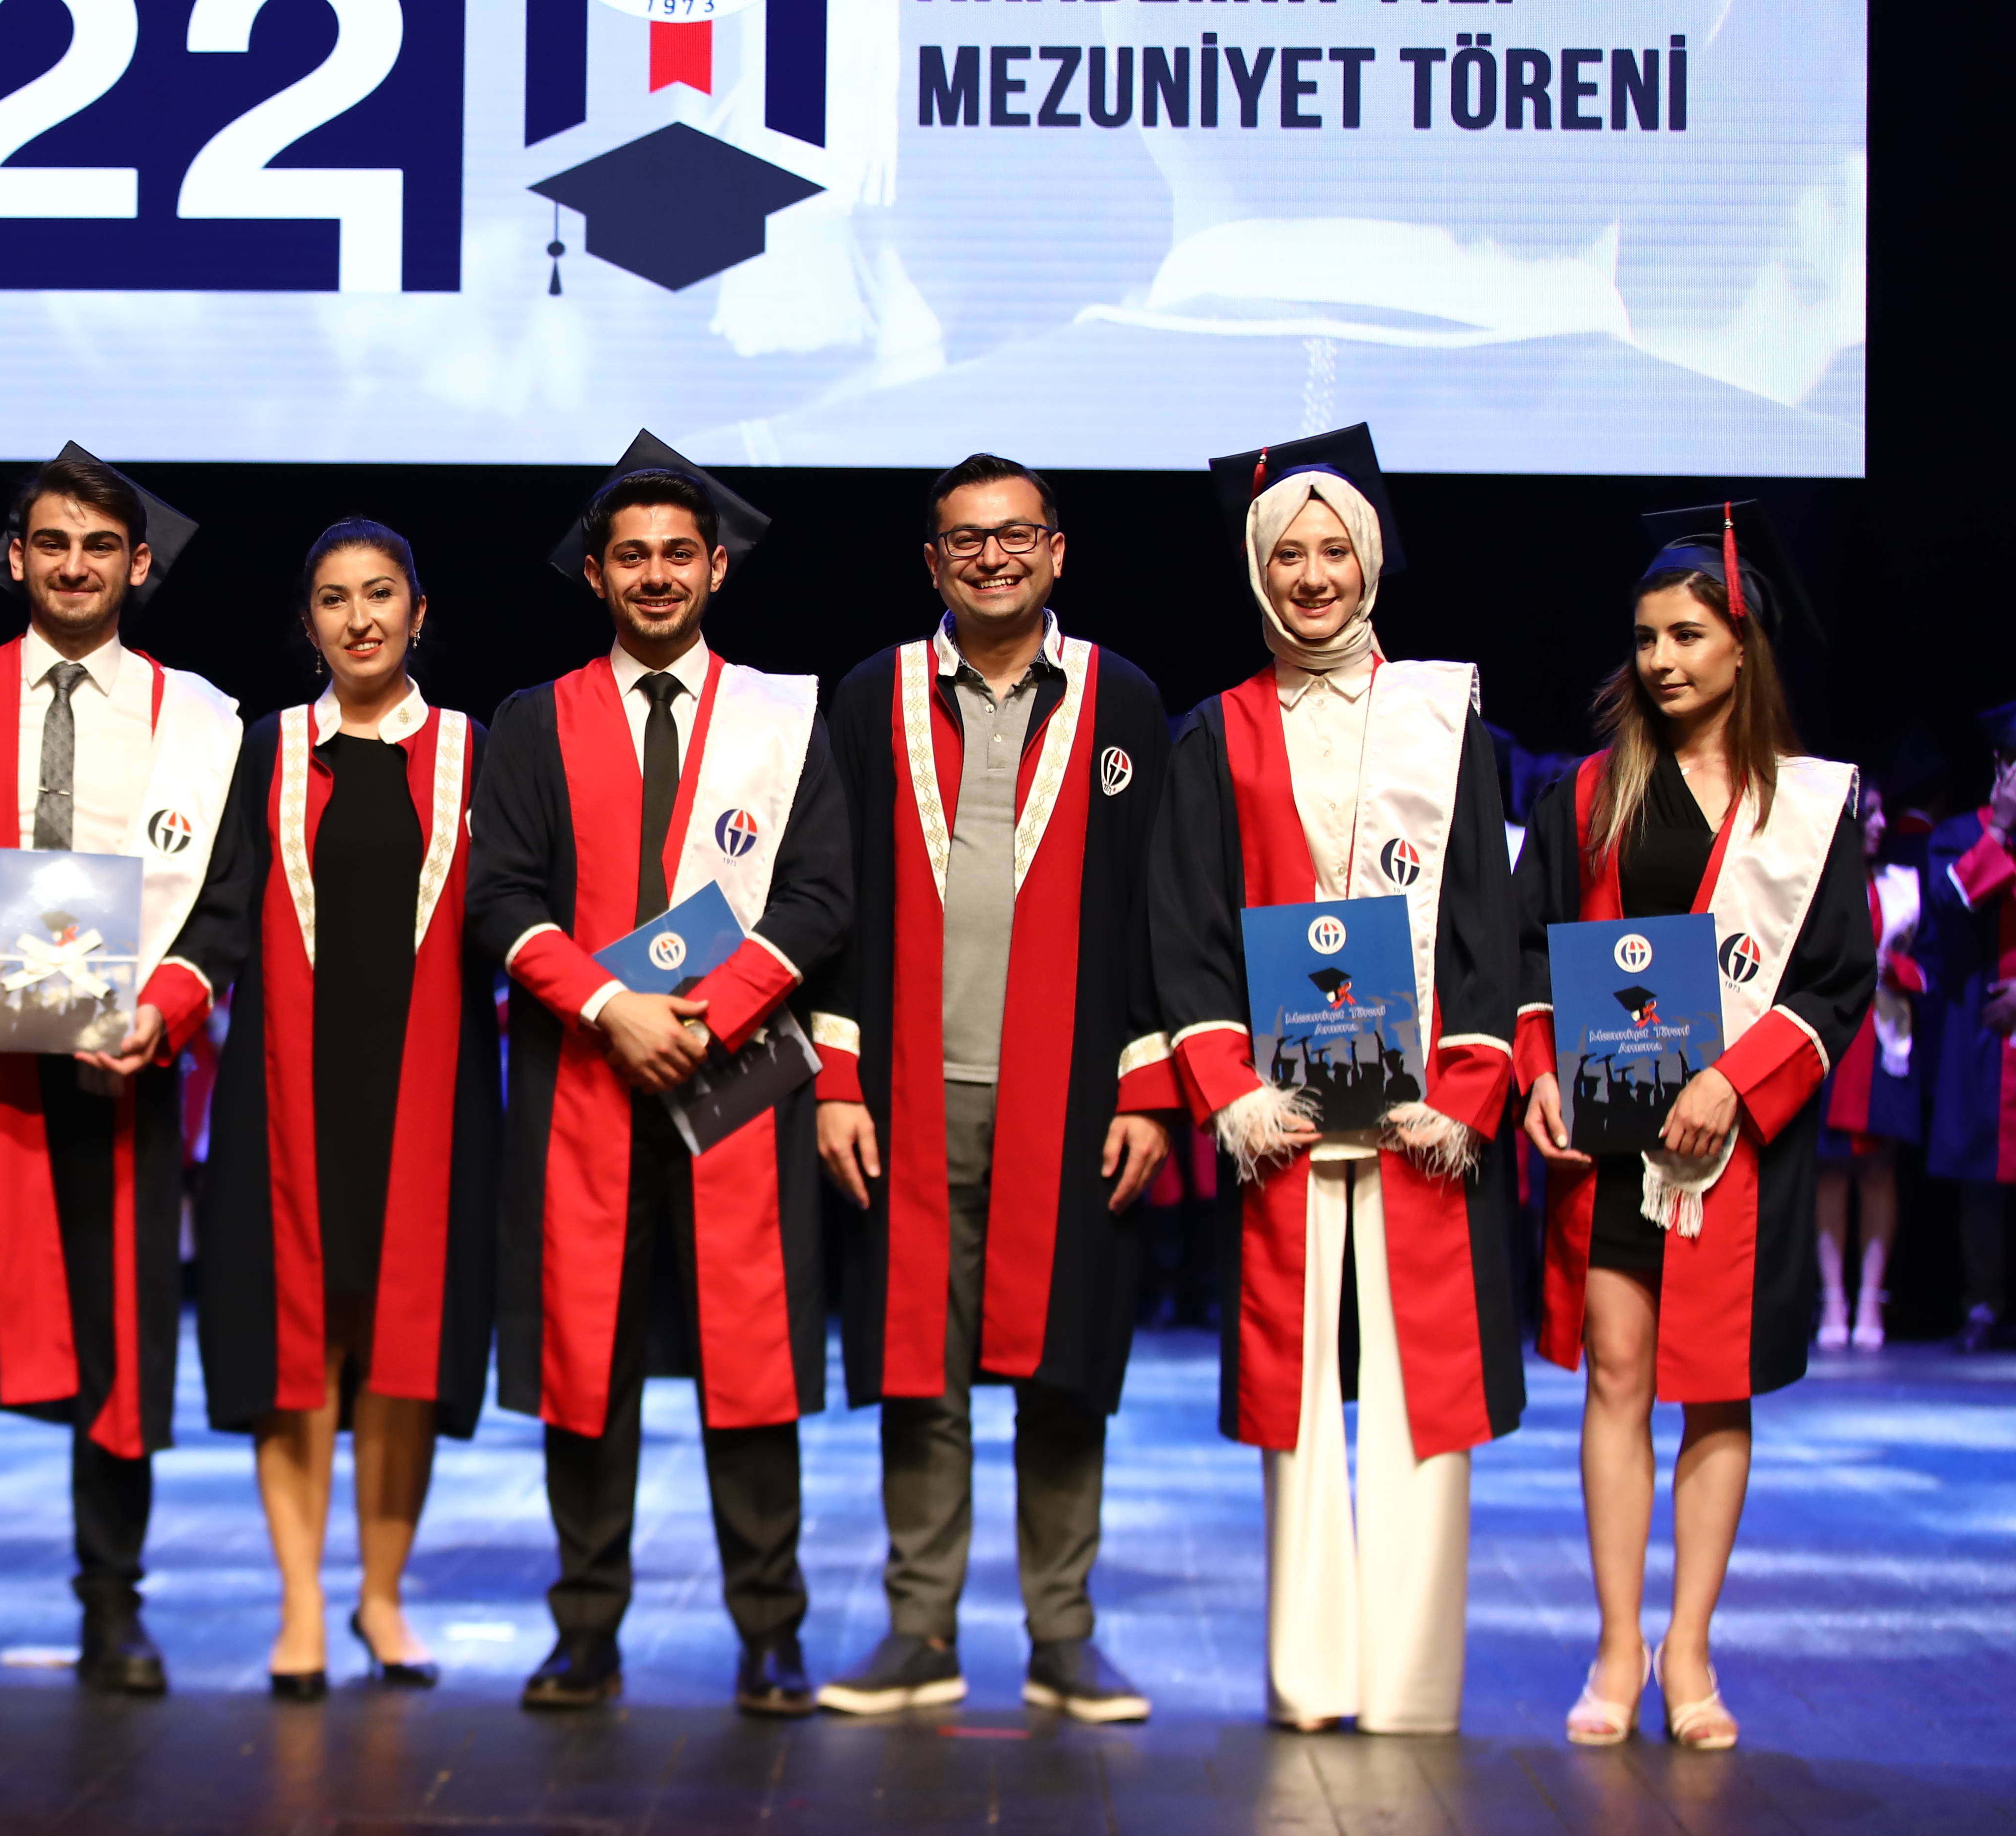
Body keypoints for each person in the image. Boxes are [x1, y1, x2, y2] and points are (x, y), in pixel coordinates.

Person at [0, 446, 249, 1701]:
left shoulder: (201, 722)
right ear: (17, 557)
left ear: (140, 564)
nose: (76, 566)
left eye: (100, 546)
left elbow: (224, 904)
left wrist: (167, 1007)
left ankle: (113, 1600)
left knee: (120, 1337)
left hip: (118, 1073)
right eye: (54, 543)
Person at [1146, 425, 1524, 1737]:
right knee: (1296, 1407)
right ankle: (1310, 1679)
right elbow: (1186, 928)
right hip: (1287, 1113)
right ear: (1259, 572)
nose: (1313, 577)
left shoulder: (1445, 719)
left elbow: (1485, 921)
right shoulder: (1217, 734)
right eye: (1288, 556)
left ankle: (1412, 1685)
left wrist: (1466, 1090)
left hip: (1420, 1113)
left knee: (1427, 1400)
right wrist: (1231, 1087)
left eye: (1334, 552)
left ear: (1369, 563)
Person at [468, 432, 852, 1719]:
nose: (655, 575)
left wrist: (710, 1013)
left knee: (752, 1362)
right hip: (585, 1082)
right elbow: (501, 899)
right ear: (595, 574)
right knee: (587, 1366)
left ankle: (772, 1631)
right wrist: (612, 1009)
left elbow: (821, 895)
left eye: (677, 553)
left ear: (716, 567)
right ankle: (585, 1628)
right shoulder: (535, 721)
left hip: (736, 1080)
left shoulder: (782, 720)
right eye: (630, 555)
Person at [803, 453, 1174, 1723]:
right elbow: (835, 900)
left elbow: (1159, 909)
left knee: (1063, 1364)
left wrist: (1148, 1087)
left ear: (1058, 551)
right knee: (921, 1367)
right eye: (966, 538)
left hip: (1070, 1097)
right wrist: (837, 1079)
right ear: (933, 561)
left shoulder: (1124, 699)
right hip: (912, 1091)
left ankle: (1064, 1633)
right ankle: (921, 1628)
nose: (993, 556)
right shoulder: (874, 696)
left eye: (1017, 534)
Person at [1515, 501, 1873, 1750]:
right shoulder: (1588, 795)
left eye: (1685, 635)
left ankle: (1690, 1647)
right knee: (1618, 1375)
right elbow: (1532, 951)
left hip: (1741, 1147)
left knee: (1717, 1391)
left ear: (1743, 643)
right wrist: (1541, 1067)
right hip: (1616, 1135)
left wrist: (1740, 1081)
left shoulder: (1809, 810)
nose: (1660, 659)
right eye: (1645, 638)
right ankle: (1618, 1643)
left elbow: (1834, 978)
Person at [197, 519, 502, 1698]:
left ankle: (382, 1595)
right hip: (287, 1085)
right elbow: (214, 908)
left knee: (403, 1351)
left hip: (433, 1086)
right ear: (308, 622)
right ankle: (299, 1603)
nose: (360, 618)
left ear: (419, 613)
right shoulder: (265, 750)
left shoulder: (475, 750)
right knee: (299, 1346)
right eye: (334, 598)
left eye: (381, 594)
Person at [1918, 704, 2016, 1351]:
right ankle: (1983, 1303)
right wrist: (2001, 832)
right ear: (2001, 768)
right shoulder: (1961, 834)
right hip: (1980, 1027)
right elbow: (1946, 908)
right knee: (1983, 1172)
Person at [1814, 786, 1925, 1349]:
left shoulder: (1904, 887)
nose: (1881, 824)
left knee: (1880, 1169)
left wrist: (1899, 969)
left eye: (1884, 812)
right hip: (1832, 1041)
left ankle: (1871, 1300)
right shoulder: (1816, 883)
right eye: (1871, 813)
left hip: (1886, 1041)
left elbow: (1935, 962)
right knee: (1831, 1171)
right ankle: (1833, 1297)